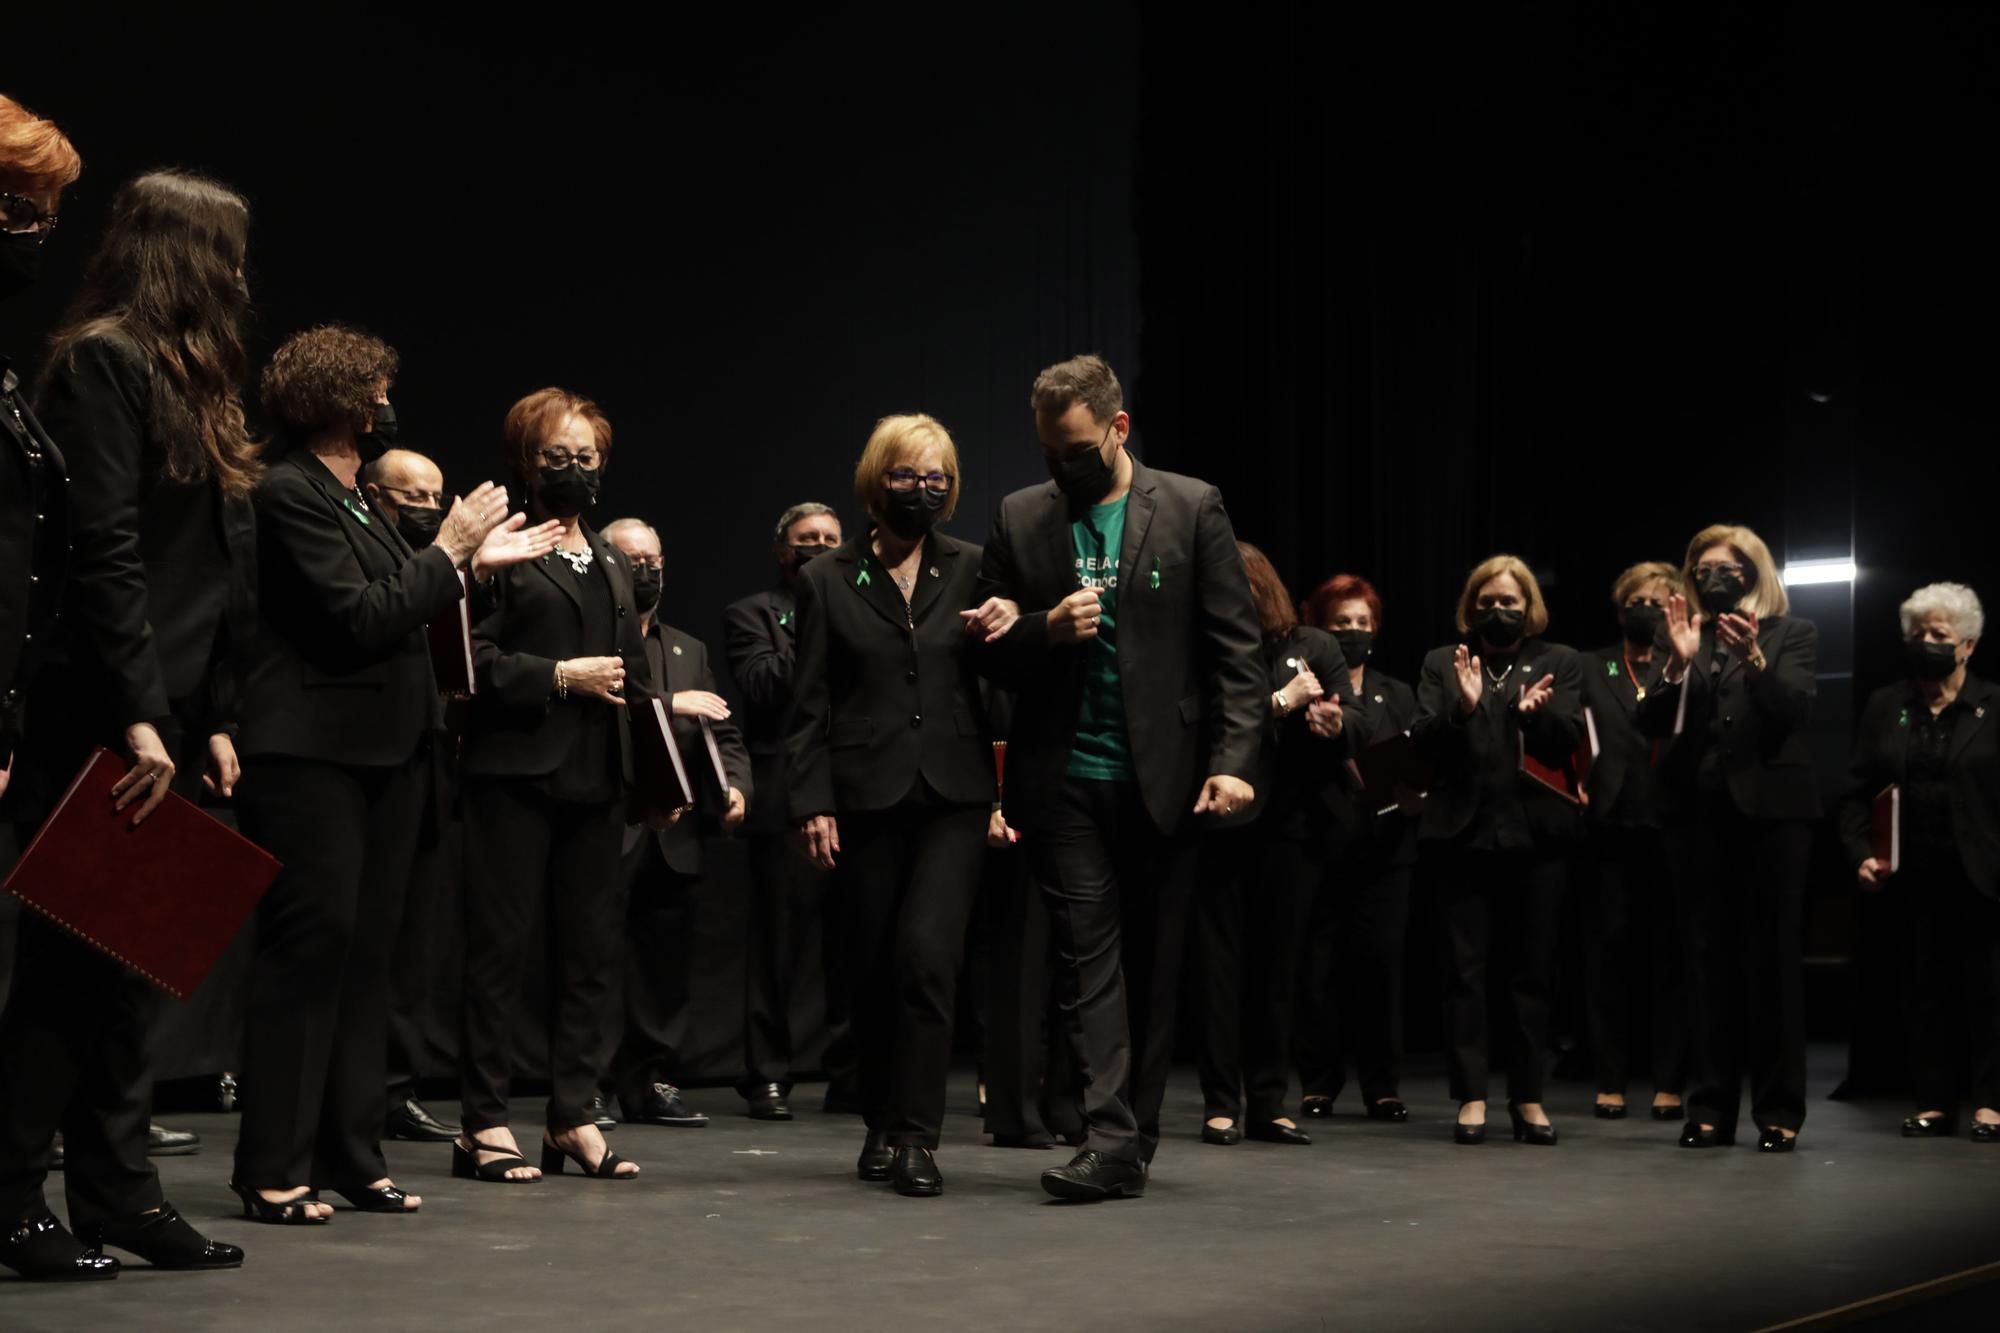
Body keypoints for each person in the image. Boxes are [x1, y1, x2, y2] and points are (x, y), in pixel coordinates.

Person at [231, 327, 555, 1223]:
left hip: (389, 752)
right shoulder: (289, 491)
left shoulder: (358, 501)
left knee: (370, 962)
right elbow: (357, 617)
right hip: (312, 754)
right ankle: (272, 1166)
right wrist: (449, 548)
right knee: (310, 955)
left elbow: (408, 600)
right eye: (376, 387)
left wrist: (466, 565)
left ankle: (350, 1154)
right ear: (341, 396)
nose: (385, 401)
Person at [0, 163, 249, 1278]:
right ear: (183, 255)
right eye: (229, 252)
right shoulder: (102, 361)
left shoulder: (193, 380)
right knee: (68, 975)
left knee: (134, 971)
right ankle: (9, 1197)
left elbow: (211, 568)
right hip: (103, 707)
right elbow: (103, 552)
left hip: (172, 708)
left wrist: (212, 715)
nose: (242, 275)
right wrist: (143, 714)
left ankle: (119, 1192)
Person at [969, 354, 1264, 1201]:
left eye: (1075, 448)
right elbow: (986, 644)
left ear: (1117, 429)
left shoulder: (1189, 505)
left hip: (1164, 778)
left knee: (1152, 963)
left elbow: (1234, 654)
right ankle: (1108, 1135)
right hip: (1063, 777)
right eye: (1048, 450)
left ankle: (1132, 1139)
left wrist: (1234, 763)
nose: (1060, 466)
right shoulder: (1022, 516)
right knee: (1087, 956)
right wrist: (1039, 628)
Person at [788, 413, 998, 1197]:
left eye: (937, 476)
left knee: (927, 958)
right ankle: (879, 1117)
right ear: (878, 482)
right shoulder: (826, 578)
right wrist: (812, 801)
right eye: (908, 475)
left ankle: (916, 1135)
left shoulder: (976, 567)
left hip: (954, 794)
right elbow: (808, 705)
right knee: (871, 968)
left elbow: (1000, 682)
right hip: (863, 793)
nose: (923, 488)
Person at [454, 387, 654, 1183]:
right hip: (512, 773)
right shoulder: (503, 551)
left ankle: (572, 1115)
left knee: (589, 956)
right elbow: (469, 663)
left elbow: (635, 679)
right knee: (500, 953)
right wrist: (559, 676)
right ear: (526, 464)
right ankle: (484, 1122)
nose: (574, 468)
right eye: (557, 455)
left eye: (587, 455)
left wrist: (654, 777)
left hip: (597, 780)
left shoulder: (609, 556)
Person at [1641, 524, 1819, 1152]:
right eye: (1704, 566)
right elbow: (1650, 722)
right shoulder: (1680, 633)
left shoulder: (1791, 634)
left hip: (1773, 818)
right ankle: (1710, 1107)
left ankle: (1778, 1111)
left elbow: (1794, 712)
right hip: (1698, 816)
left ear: (1754, 572)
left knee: (1771, 964)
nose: (1716, 575)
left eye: (1730, 566)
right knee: (1706, 962)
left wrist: (1755, 662)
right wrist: (1677, 663)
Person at [1412, 555, 1584, 1147]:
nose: (1499, 611)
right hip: (1460, 837)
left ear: (1528, 607)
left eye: (1511, 602)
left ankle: (1529, 1097)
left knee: (1532, 973)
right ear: (1471, 607)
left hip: (1535, 840)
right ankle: (1473, 1097)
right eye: (1488, 602)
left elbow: (1570, 741)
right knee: (1465, 974)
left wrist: (1533, 717)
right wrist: (1461, 708)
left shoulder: (1559, 662)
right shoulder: (1444, 662)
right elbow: (1423, 745)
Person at [600, 516, 751, 1128]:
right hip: (610, 824)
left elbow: (723, 729)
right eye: (631, 558)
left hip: (678, 834)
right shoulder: (591, 635)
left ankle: (649, 1080)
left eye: (654, 558)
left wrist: (737, 785)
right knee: (598, 963)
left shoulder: (689, 648)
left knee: (665, 968)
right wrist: (668, 703)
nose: (646, 569)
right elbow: (606, 713)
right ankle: (589, 1084)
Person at [1190, 543, 1343, 1147]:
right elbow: (1204, 718)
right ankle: (1221, 1102)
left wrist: (1332, 721)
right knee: (1217, 971)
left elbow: (1348, 719)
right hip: (1221, 828)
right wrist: (1282, 703)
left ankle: (1270, 1102)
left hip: (1291, 829)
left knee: (1277, 971)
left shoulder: (1313, 646)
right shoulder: (1204, 649)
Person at [1841, 582, 2000, 1142]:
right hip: (1912, 876)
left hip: (1983, 876)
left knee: (1988, 991)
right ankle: (1935, 1100)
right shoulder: (1888, 705)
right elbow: (1858, 790)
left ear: (1968, 645)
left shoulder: (1994, 704)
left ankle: (1991, 1103)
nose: (1927, 642)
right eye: (1918, 634)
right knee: (1924, 990)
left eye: (1940, 635)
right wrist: (1862, 853)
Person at [722, 502, 850, 1121]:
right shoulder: (753, 614)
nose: (819, 547)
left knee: (857, 934)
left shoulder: (863, 603)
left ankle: (850, 1069)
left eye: (830, 539)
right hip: (782, 792)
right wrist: (822, 622)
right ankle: (766, 1074)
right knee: (777, 941)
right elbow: (765, 686)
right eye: (807, 540)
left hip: (854, 786)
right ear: (783, 551)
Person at [359, 446, 467, 1146]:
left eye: (437, 494)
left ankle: (397, 1090)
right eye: (412, 496)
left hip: (432, 761)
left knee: (416, 942)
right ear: (374, 496)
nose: (428, 507)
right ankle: (356, 1094)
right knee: (365, 939)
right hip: (368, 760)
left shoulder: (446, 571)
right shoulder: (371, 559)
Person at [1294, 573, 1419, 1125]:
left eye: (1361, 624)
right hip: (1317, 845)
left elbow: (1408, 780)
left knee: (1379, 970)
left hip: (1385, 851)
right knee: (1316, 970)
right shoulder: (1304, 688)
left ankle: (1382, 1086)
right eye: (1340, 623)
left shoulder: (1397, 693)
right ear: (1319, 629)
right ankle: (1319, 1082)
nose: (1352, 632)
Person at [1578, 562, 1688, 1122]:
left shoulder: (1686, 662)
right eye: (1636, 601)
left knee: (1671, 959)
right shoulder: (1590, 666)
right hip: (1610, 828)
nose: (1646, 609)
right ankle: (1611, 1080)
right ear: (1621, 609)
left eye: (1659, 600)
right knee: (1609, 958)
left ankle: (1670, 1082)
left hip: (1671, 825)